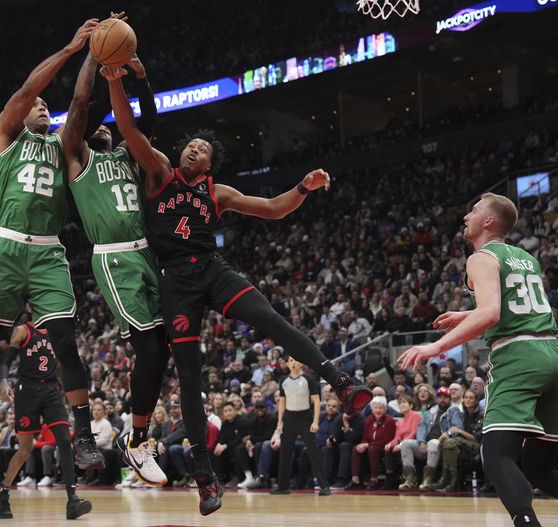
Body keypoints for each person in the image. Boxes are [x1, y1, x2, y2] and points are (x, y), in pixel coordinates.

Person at [101, 64, 371, 516]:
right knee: (189, 375)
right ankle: (204, 477)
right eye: (190, 145)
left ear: (210, 163)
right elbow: (127, 126)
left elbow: (271, 208)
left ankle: (339, 379)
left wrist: (303, 186)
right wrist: (115, 79)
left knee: (271, 320)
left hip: (211, 269)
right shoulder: (159, 173)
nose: (194, 150)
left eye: (203, 149)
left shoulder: (216, 192)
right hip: (175, 281)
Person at [0, 19, 105, 481]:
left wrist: (96, 55)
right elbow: (28, 88)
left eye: (43, 106)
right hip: (9, 248)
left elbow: (80, 102)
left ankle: (85, 435)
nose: (39, 106)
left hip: (49, 252)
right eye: (34, 104)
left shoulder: (63, 145)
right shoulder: (8, 138)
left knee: (67, 344)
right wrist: (72, 47)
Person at [401, 193, 558, 527]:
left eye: (473, 211)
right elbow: (515, 307)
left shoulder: (481, 257)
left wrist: (435, 347)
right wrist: (465, 314)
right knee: (538, 467)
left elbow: (491, 312)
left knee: (497, 454)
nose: (465, 216)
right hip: (552, 351)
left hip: (519, 358)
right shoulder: (525, 258)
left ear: (488, 221)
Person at [62, 46, 168, 486]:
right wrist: (97, 60)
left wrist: (137, 77)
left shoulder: (126, 155)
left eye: (109, 127)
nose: (104, 129)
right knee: (147, 348)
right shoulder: (77, 158)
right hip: (116, 255)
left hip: (147, 252)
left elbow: (147, 122)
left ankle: (137, 435)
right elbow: (81, 109)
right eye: (96, 128)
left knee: (161, 349)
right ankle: (135, 438)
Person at [0, 320, 90, 520]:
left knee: (64, 440)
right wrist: (3, 381)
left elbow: (62, 366)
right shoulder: (23, 330)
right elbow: (5, 362)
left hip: (52, 390)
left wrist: (70, 391)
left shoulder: (57, 332)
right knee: (25, 450)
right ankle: (3, 495)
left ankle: (73, 500)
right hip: (27, 390)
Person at [270, 357, 331, 495]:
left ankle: (324, 486)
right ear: (287, 364)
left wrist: (315, 421)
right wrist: (280, 422)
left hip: (305, 418)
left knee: (312, 451)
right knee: (285, 452)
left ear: (301, 363)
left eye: (296, 360)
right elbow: (282, 403)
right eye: (291, 361)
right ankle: (283, 486)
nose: (293, 363)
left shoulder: (308, 379)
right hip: (289, 418)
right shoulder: (283, 381)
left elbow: (316, 401)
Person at [436, 388, 483, 493]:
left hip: (477, 446)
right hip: (461, 444)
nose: (468, 400)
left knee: (450, 441)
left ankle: (451, 479)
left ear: (476, 401)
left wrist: (459, 431)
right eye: (466, 397)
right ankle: (449, 478)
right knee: (449, 443)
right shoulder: (460, 413)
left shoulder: (481, 414)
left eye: (471, 398)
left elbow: (476, 438)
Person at [345, 397, 396, 490]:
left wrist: (367, 445)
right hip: (370, 447)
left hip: (383, 448)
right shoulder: (368, 420)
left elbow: (387, 440)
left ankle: (374, 479)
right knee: (356, 449)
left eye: (380, 408)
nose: (378, 410)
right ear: (372, 410)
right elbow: (365, 438)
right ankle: (355, 480)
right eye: (375, 408)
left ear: (385, 409)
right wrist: (363, 444)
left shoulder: (390, 421)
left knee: (372, 449)